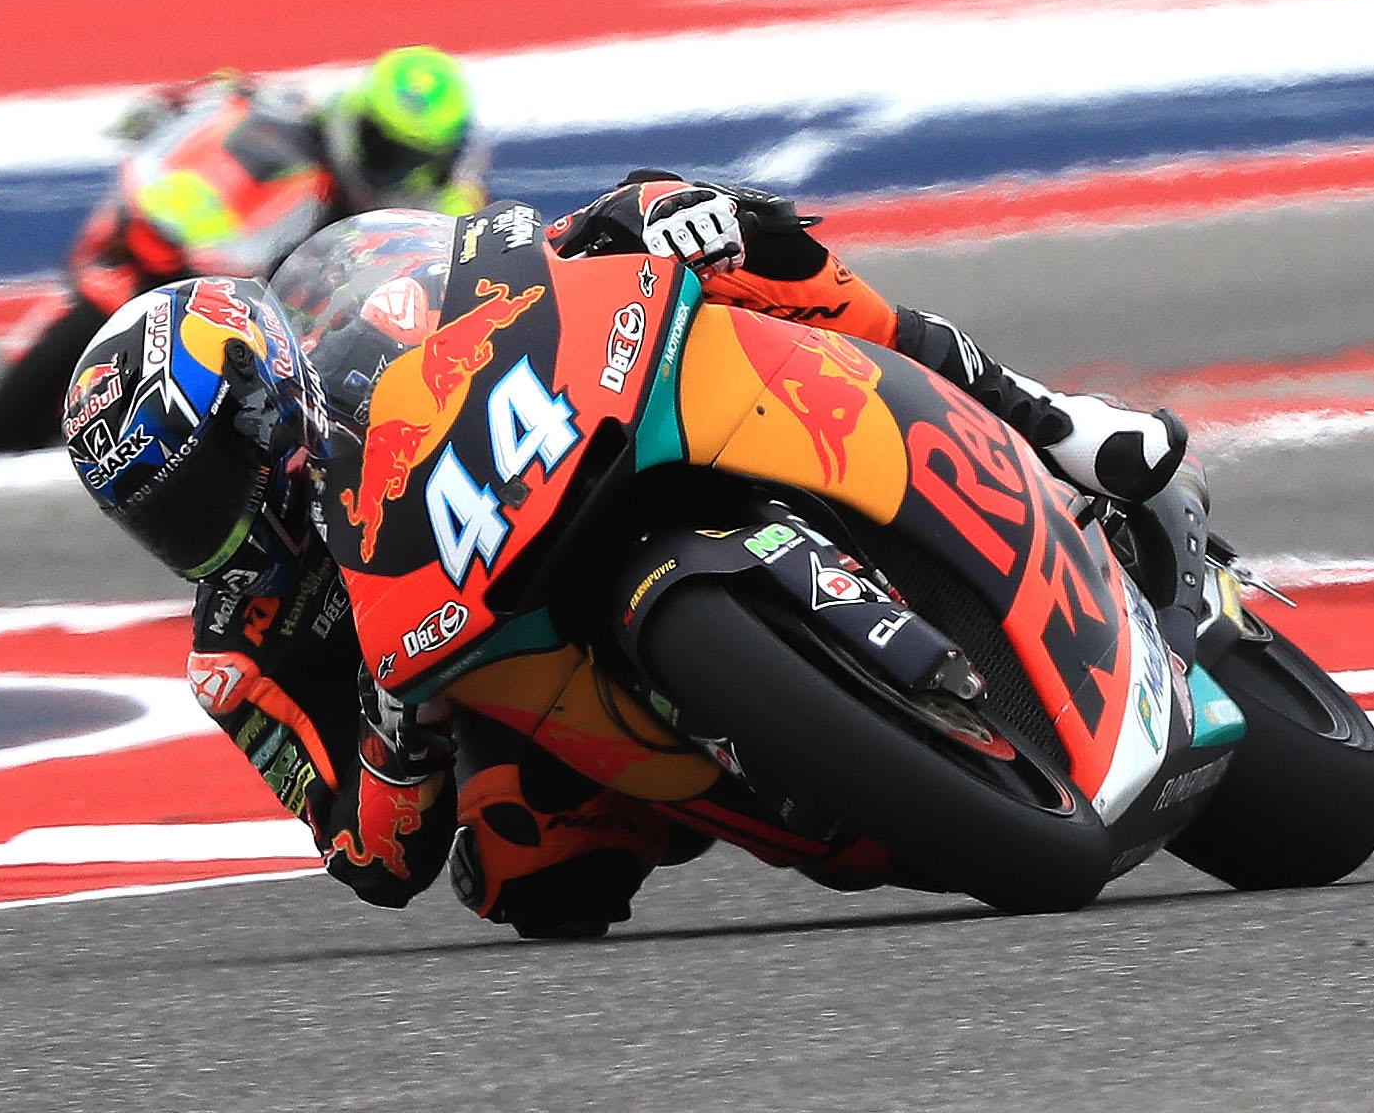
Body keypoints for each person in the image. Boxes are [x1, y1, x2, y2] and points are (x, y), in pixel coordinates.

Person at [61, 175, 1187, 937]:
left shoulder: (356, 343)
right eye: (171, 520)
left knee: (699, 232)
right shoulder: (238, 655)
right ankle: (785, 760)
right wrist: (397, 732)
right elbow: (368, 858)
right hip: (494, 666)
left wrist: (633, 224)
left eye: (210, 481)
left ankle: (1046, 421)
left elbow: (498, 266)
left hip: (560, 445)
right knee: (528, 875)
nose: (209, 528)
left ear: (267, 395)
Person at [0, 47, 493, 455]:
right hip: (239, 259)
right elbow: (231, 100)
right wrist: (172, 113)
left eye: (404, 156)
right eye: (377, 141)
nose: (386, 161)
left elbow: (462, 265)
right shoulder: (307, 121)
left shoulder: (446, 204)